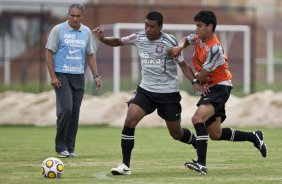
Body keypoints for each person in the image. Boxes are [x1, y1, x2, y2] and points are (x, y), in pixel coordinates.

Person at [93, 11, 208, 175]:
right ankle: (125, 165)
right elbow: (118, 41)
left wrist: (195, 82)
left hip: (168, 94)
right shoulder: (138, 38)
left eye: (152, 26)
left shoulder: (169, 42)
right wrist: (103, 39)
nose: (148, 29)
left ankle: (195, 142)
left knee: (176, 133)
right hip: (145, 91)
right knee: (129, 120)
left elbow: (183, 65)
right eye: (146, 25)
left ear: (160, 28)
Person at [170, 10, 267, 175]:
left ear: (210, 26)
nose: (196, 29)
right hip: (212, 86)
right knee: (215, 133)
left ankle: (201, 164)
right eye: (196, 25)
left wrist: (183, 65)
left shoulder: (215, 49)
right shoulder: (199, 37)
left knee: (197, 118)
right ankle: (254, 136)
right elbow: (186, 40)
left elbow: (201, 76)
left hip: (219, 87)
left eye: (199, 25)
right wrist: (180, 48)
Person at [45, 3, 102, 158]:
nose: (75, 19)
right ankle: (60, 146)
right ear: (68, 15)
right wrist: (52, 76)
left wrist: (96, 75)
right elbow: (49, 53)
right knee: (67, 109)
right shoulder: (58, 30)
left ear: (82, 16)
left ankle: (70, 148)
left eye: (78, 16)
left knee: (75, 113)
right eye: (72, 15)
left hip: (78, 77)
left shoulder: (86, 32)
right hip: (61, 75)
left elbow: (90, 55)